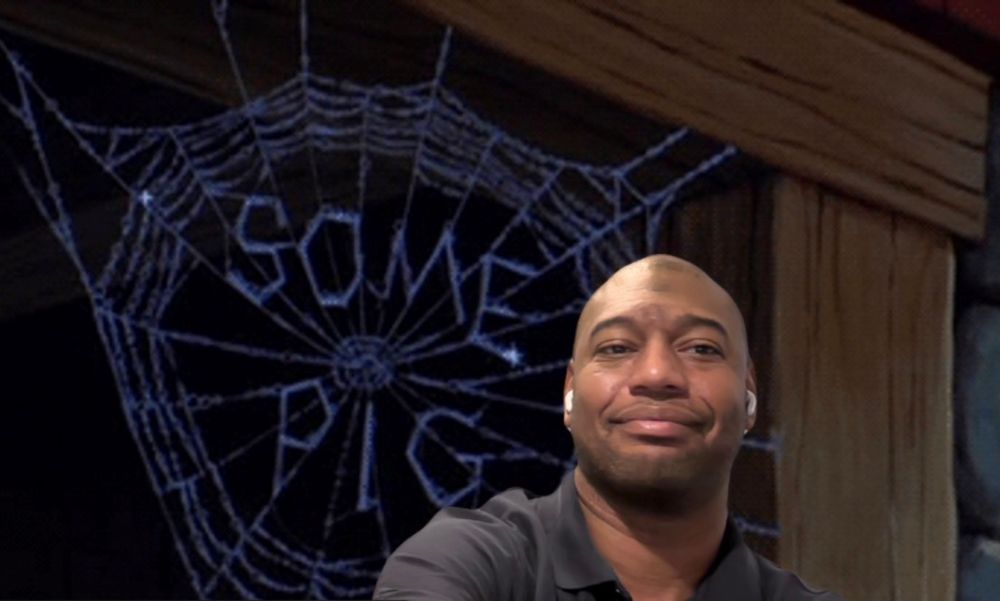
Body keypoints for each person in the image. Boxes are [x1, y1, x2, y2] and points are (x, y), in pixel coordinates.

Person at [374, 255, 841, 601]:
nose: (657, 375)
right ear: (570, 395)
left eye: (701, 348)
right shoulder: (471, 562)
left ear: (748, 396)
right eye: (617, 348)